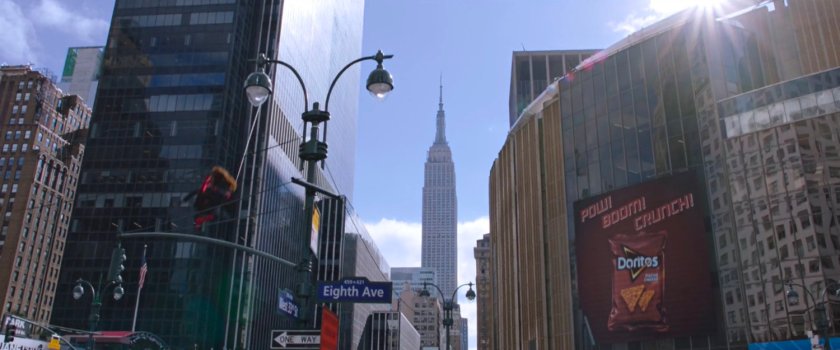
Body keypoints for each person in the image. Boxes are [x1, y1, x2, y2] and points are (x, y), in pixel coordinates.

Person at [185, 166, 238, 230]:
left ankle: (200, 222)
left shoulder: (220, 185)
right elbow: (198, 191)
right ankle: (200, 222)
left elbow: (225, 194)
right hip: (209, 203)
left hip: (212, 203)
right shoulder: (210, 187)